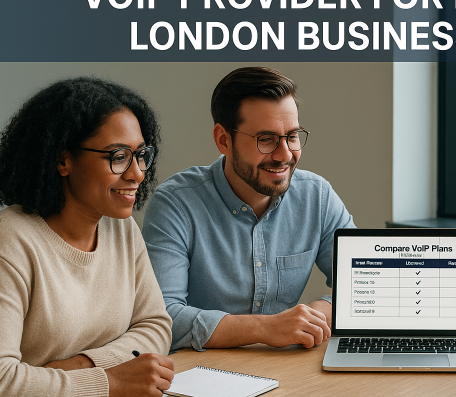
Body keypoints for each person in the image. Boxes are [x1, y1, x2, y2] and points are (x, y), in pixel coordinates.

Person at [142, 67, 355, 352]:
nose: (284, 155)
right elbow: (163, 318)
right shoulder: (176, 203)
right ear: (223, 140)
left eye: (292, 136)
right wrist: (266, 328)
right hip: (202, 376)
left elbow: (366, 286)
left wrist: (318, 313)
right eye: (265, 140)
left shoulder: (317, 196)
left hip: (287, 370)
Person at [0, 77, 174, 397]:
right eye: (118, 156)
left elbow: (155, 326)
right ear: (63, 160)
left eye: (141, 154)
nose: (136, 173)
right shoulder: (6, 242)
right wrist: (112, 382)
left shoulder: (121, 229)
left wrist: (85, 365)